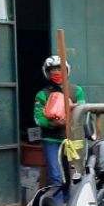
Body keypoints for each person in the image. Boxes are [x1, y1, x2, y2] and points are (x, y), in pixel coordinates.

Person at [34, 55, 86, 190]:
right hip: (51, 140)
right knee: (56, 176)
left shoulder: (77, 91)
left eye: (59, 68)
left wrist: (71, 114)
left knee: (75, 174)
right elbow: (38, 118)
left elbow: (83, 111)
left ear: (66, 70)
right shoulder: (42, 94)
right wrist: (53, 123)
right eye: (52, 70)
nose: (56, 72)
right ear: (47, 73)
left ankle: (74, 205)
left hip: (73, 140)